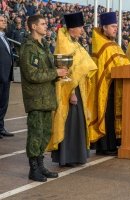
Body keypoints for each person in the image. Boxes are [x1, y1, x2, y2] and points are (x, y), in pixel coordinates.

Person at [19, 14, 68, 182]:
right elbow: (31, 74)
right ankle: (33, 169)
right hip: (36, 99)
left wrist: (59, 74)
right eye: (43, 23)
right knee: (35, 133)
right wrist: (55, 73)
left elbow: (47, 70)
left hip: (47, 97)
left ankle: (40, 165)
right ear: (33, 27)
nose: (46, 26)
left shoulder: (45, 45)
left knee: (45, 133)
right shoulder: (28, 47)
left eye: (46, 23)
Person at [47, 12, 97, 166]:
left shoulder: (75, 43)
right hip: (70, 91)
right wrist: (71, 93)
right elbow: (65, 71)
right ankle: (67, 157)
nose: (82, 30)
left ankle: (76, 155)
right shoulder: (64, 43)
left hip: (79, 88)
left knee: (78, 123)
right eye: (80, 27)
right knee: (70, 123)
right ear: (72, 28)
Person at [88, 12, 130, 155]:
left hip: (113, 84)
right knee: (106, 114)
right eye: (113, 26)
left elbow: (121, 61)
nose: (115, 29)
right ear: (104, 27)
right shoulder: (101, 43)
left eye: (116, 26)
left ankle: (112, 144)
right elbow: (112, 64)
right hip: (103, 86)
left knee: (111, 115)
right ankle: (104, 146)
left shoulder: (112, 43)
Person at [0, 14, 14, 139]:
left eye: (5, 20)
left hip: (6, 76)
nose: (4, 22)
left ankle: (1, 127)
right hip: (0, 76)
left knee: (4, 104)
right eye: (2, 20)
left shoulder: (5, 37)